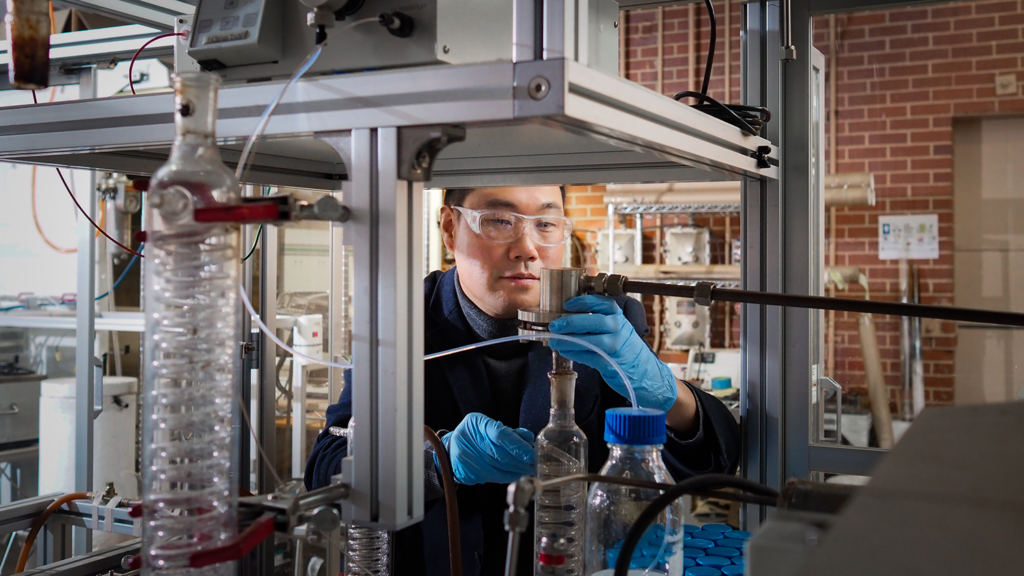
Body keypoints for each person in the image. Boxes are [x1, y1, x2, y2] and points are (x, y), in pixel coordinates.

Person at [306, 185, 740, 576]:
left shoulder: (607, 321)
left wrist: (661, 390)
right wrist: (434, 461)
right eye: (501, 221)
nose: (527, 249)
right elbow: (327, 468)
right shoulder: (399, 320)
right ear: (450, 228)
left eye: (546, 224)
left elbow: (713, 462)